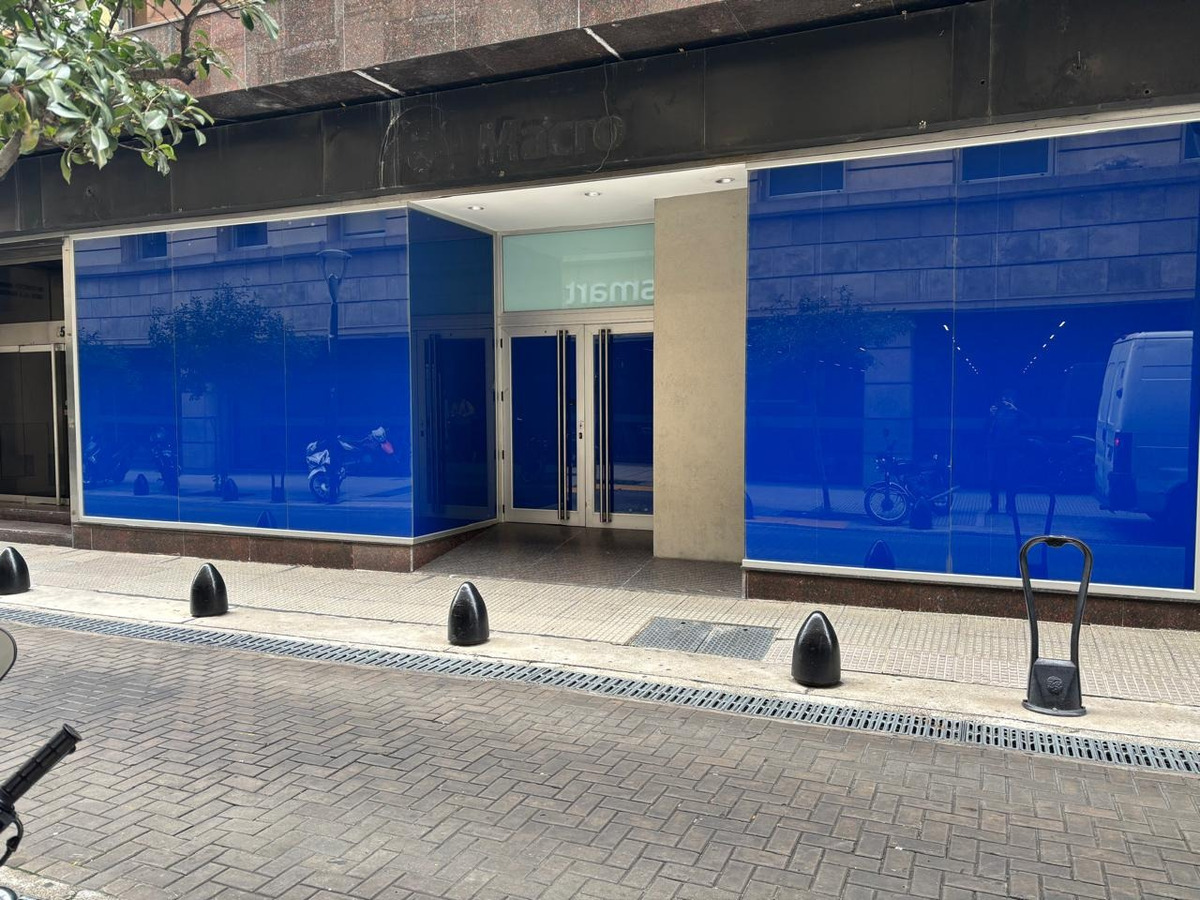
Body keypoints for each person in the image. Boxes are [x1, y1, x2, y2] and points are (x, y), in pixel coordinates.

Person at [987, 390, 1024, 514]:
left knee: (1011, 478)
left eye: (1008, 400)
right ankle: (994, 506)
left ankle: (1010, 506)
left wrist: (1016, 410)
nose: (1005, 403)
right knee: (993, 478)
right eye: (1003, 400)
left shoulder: (1016, 413)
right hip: (996, 449)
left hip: (1011, 449)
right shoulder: (996, 413)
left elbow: (1029, 421)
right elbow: (986, 429)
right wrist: (991, 415)